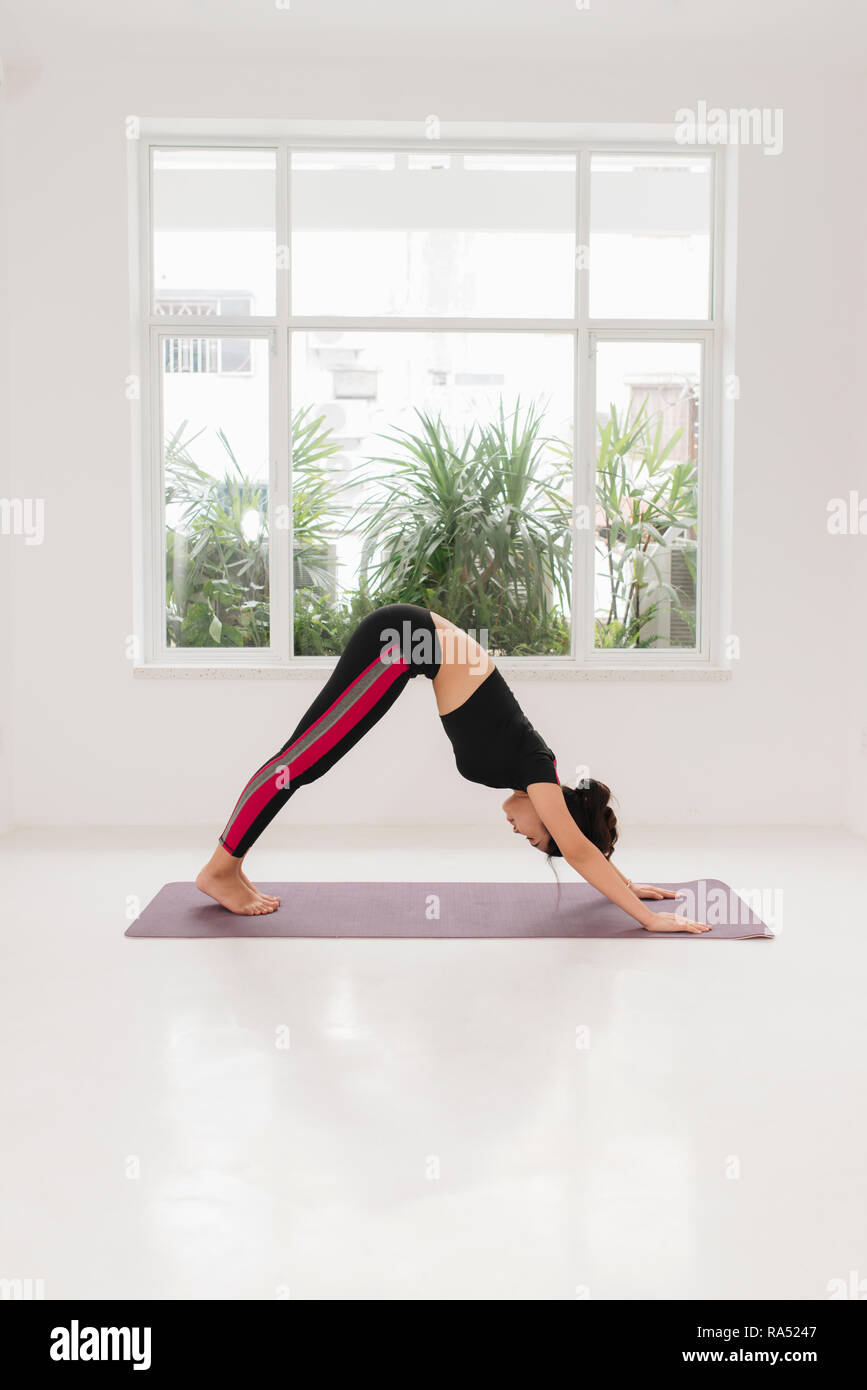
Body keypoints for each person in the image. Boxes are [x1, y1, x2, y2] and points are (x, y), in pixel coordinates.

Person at [195, 603, 709, 932]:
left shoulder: (529, 771)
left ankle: (231, 867)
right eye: (534, 837)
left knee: (306, 760)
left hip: (408, 644)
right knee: (301, 761)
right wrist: (646, 918)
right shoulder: (538, 769)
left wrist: (625, 879)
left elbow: (579, 843)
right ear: (554, 814)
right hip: (402, 639)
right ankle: (220, 868)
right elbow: (575, 848)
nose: (519, 831)